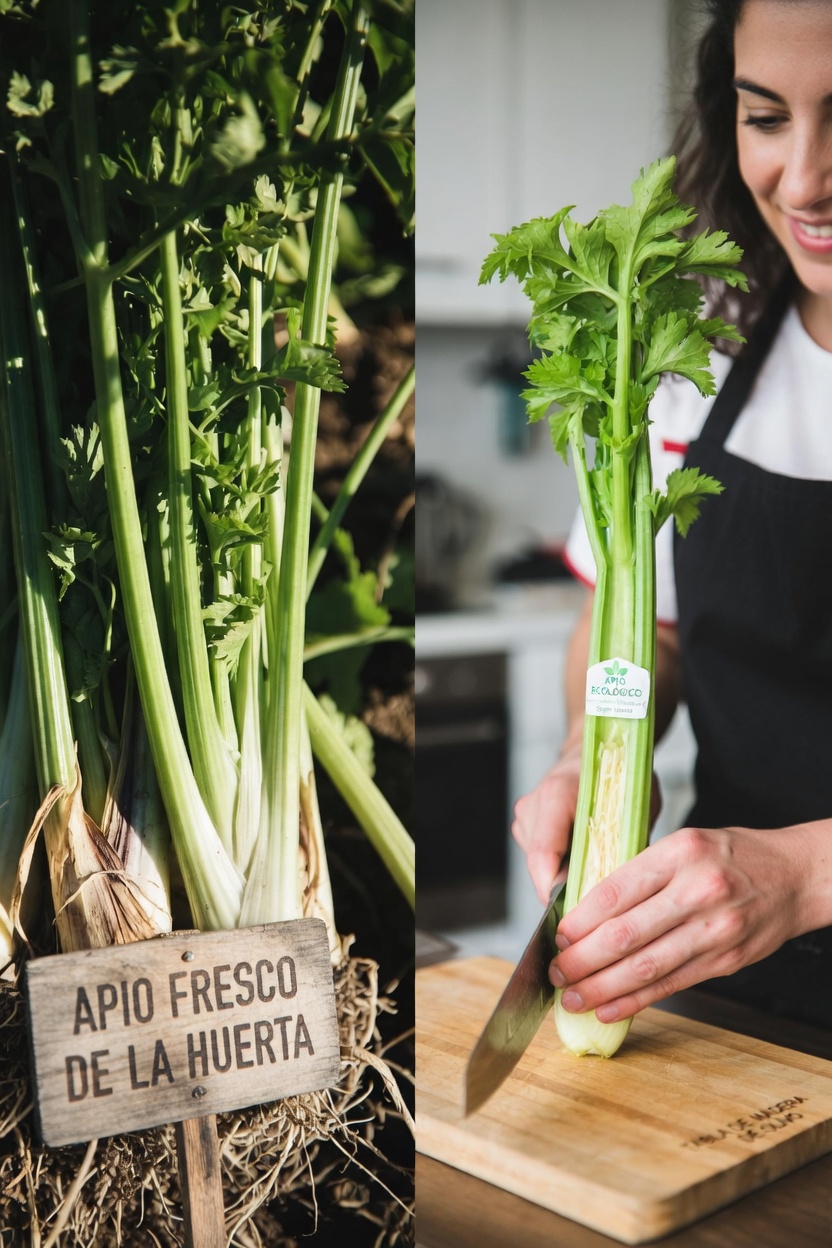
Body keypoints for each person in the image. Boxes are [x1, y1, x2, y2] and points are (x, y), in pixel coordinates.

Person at [511, 0, 832, 1031]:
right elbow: (648, 627)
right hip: (728, 989)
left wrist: (804, 876)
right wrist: (596, 743)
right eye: (766, 118)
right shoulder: (695, 350)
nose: (804, 178)